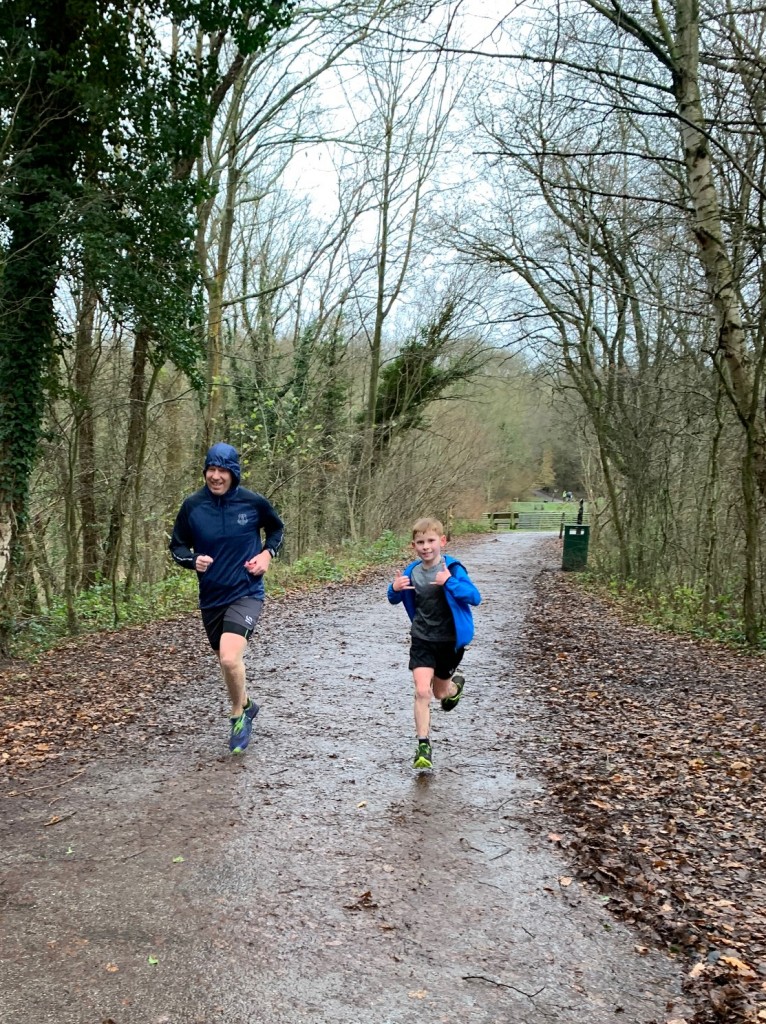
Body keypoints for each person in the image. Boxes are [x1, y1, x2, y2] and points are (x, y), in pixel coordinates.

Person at [169, 442, 284, 754]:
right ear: (205, 471)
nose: (216, 476)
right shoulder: (193, 506)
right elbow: (176, 547)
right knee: (227, 663)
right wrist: (192, 560)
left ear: (233, 473)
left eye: (222, 471)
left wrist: (267, 554)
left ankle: (237, 717)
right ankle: (246, 704)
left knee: (229, 657)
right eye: (211, 470)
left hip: (246, 592)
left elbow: (276, 530)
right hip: (211, 598)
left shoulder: (253, 503)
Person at [387, 517, 481, 769]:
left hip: (450, 642)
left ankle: (454, 688)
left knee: (440, 693)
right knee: (421, 691)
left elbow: (475, 597)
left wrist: (449, 582)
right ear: (413, 546)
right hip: (422, 638)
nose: (426, 546)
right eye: (420, 542)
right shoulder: (412, 571)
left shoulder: (454, 569)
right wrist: (394, 588)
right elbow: (394, 597)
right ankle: (423, 746)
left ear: (442, 541)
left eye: (430, 541)